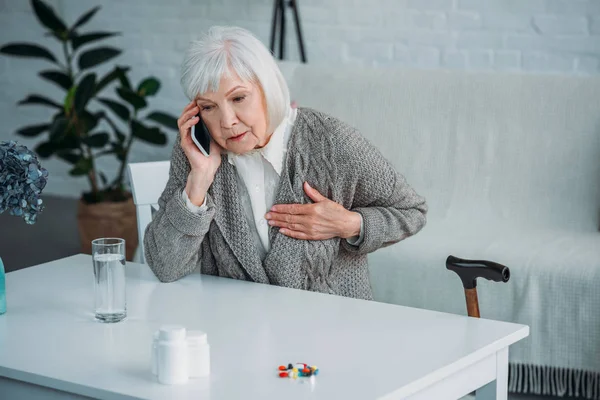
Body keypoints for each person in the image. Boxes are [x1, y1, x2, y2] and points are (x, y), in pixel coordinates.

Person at [143, 26, 428, 300]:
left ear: (268, 88)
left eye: (239, 98)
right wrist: (199, 182)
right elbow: (165, 267)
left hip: (333, 334)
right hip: (237, 333)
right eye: (208, 107)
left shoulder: (330, 142)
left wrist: (350, 223)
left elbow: (411, 211)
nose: (227, 121)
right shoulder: (196, 155)